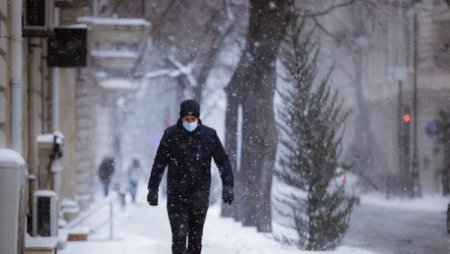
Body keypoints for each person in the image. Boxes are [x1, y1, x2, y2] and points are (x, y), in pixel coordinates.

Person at [147, 99, 234, 254]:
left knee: (195, 242)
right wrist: (153, 188)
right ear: (181, 118)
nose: (189, 122)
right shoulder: (170, 135)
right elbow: (159, 163)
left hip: (199, 196)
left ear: (198, 118)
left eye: (193, 119)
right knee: (179, 239)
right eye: (186, 119)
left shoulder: (209, 136)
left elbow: (222, 161)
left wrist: (228, 185)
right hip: (176, 197)